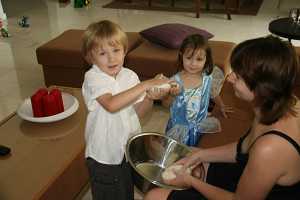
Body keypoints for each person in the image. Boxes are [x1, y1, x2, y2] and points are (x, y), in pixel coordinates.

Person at [144, 35, 300, 200]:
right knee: (189, 159)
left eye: (238, 76)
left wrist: (191, 181)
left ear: (262, 88)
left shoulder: (270, 148)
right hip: (250, 172)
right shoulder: (279, 103)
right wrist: (200, 154)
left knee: (154, 196)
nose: (230, 78)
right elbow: (244, 148)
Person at [81, 20, 169, 200]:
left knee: (124, 191)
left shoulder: (129, 76)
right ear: (91, 57)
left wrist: (151, 97)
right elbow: (111, 105)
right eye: (102, 53)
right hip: (104, 156)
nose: (112, 58)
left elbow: (138, 113)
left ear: (125, 51)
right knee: (109, 194)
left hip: (127, 151)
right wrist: (147, 83)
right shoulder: (93, 77)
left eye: (116, 50)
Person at [162, 34, 232, 146]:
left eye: (199, 59)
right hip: (180, 130)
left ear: (206, 59)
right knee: (178, 156)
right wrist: (171, 95)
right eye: (189, 58)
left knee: (198, 150)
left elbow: (213, 93)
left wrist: (221, 105)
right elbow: (165, 104)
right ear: (181, 56)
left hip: (200, 125)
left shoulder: (208, 78)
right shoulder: (174, 81)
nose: (193, 64)